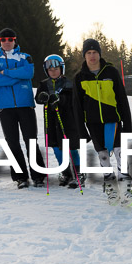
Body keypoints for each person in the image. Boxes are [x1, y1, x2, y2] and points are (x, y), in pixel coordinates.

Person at [75, 39, 132, 204]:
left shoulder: (111, 72)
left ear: (99, 54)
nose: (92, 56)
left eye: (95, 53)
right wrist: (81, 131)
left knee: (120, 152)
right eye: (88, 53)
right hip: (93, 124)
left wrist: (127, 125)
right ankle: (111, 187)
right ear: (84, 56)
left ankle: (126, 188)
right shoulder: (80, 77)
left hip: (113, 121)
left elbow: (122, 99)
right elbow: (77, 107)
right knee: (103, 156)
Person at [0, 28, 45, 189]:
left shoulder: (25, 57)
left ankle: (38, 175)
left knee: (31, 140)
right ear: (0, 41)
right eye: (3, 39)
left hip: (25, 105)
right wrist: (16, 77)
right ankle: (21, 177)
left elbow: (28, 73)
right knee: (12, 142)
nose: (7, 42)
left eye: (10, 39)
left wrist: (6, 72)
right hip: (5, 108)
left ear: (15, 40)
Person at [35, 55, 82, 189]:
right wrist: (42, 97)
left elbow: (73, 100)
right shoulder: (44, 84)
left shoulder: (69, 84)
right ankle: (66, 172)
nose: (53, 71)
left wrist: (60, 100)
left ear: (61, 69)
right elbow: (38, 99)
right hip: (51, 120)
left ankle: (78, 172)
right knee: (56, 147)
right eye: (50, 70)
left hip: (67, 120)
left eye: (56, 69)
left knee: (70, 147)